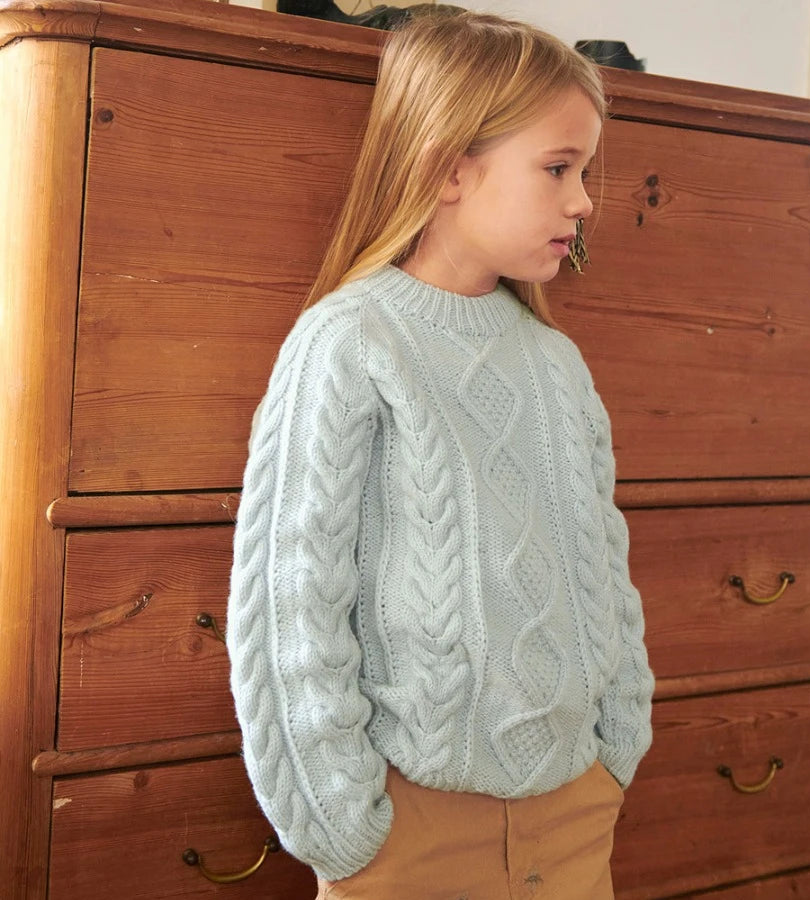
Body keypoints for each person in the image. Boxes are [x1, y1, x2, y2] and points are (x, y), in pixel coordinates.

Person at [226, 10, 654, 900]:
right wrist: (342, 825)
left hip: (575, 813)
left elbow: (602, 573)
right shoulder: (349, 343)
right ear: (449, 166)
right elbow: (289, 602)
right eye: (557, 168)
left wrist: (618, 750)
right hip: (409, 835)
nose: (583, 200)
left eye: (585, 172)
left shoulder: (555, 366)